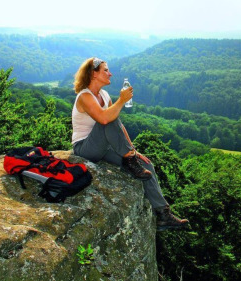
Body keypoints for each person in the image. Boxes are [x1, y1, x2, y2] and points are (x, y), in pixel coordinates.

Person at [71, 57, 188, 231]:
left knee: (145, 164)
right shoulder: (85, 96)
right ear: (93, 74)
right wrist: (121, 101)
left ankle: (163, 214)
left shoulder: (103, 95)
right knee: (108, 118)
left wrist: (132, 150)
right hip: (85, 148)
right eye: (105, 70)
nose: (110, 73)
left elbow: (118, 123)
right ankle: (129, 160)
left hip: (103, 146)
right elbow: (105, 119)